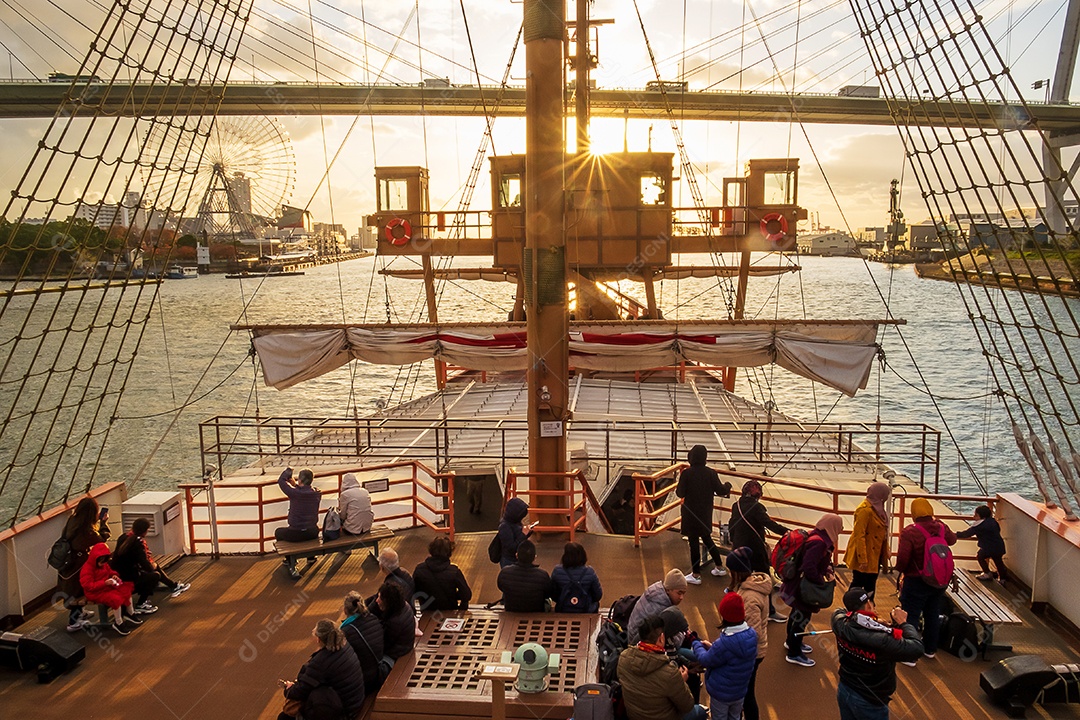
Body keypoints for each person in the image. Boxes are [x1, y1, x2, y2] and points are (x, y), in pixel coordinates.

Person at [832, 587, 924, 720]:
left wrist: (869, 622)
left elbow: (840, 611)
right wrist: (903, 623)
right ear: (869, 604)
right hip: (870, 701)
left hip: (845, 688)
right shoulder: (883, 639)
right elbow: (916, 648)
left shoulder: (839, 623)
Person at [895, 497, 956, 662]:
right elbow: (952, 540)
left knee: (911, 615)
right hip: (939, 579)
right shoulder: (941, 527)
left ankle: (910, 655)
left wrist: (900, 571)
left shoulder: (910, 531)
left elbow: (903, 559)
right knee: (932, 614)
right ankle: (930, 649)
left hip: (916, 580)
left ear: (914, 513)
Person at [781, 513, 842, 668]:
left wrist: (826, 568)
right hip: (804, 587)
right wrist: (820, 581)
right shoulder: (820, 543)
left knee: (796, 615)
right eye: (839, 526)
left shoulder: (815, 536)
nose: (840, 529)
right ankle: (794, 653)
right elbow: (809, 566)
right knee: (802, 618)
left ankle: (792, 643)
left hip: (796, 583)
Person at [618, 615, 708, 720]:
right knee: (701, 711)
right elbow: (687, 706)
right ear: (661, 638)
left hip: (634, 716)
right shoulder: (670, 673)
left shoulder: (623, 658)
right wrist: (681, 682)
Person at [278, 619, 366, 720]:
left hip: (344, 711)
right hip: (355, 701)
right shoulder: (345, 645)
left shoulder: (320, 661)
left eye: (314, 632)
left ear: (318, 639)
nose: (312, 631)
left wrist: (288, 689)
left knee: (284, 717)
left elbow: (300, 691)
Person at [729, 479, 790, 622]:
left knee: (742, 578)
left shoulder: (735, 505)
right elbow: (768, 523)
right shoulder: (757, 508)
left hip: (739, 547)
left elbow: (732, 524)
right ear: (758, 495)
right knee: (765, 578)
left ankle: (739, 609)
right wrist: (787, 532)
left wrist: (733, 540)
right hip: (754, 548)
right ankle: (770, 612)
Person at [692, 592, 758, 720]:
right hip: (739, 691)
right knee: (735, 717)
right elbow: (731, 657)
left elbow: (706, 660)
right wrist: (712, 648)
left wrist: (696, 644)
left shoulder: (724, 643)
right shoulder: (752, 635)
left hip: (721, 694)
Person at [725, 546, 771, 720]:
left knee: (746, 693)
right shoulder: (753, 586)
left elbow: (753, 633)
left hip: (752, 652)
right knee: (746, 691)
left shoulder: (749, 597)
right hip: (756, 649)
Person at [676, 444, 733, 584]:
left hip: (690, 513)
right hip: (705, 512)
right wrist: (728, 485)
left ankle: (696, 574)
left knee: (693, 541)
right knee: (707, 538)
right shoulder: (710, 473)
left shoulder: (687, 473)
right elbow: (721, 490)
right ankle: (719, 567)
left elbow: (680, 493)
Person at [112, 517, 190, 614]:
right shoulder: (137, 544)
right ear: (144, 531)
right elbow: (145, 565)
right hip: (128, 577)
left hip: (120, 574)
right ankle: (141, 603)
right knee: (155, 575)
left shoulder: (123, 537)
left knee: (154, 566)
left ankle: (173, 586)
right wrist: (151, 565)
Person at [57, 497, 112, 632]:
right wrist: (103, 522)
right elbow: (101, 538)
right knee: (78, 591)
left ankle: (80, 613)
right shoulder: (86, 530)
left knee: (75, 590)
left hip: (68, 562)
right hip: (78, 565)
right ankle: (73, 622)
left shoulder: (72, 520)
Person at [79, 543, 142, 635]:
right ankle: (118, 622)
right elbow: (88, 586)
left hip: (105, 587)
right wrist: (104, 583)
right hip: (94, 592)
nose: (104, 564)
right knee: (115, 598)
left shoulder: (103, 565)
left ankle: (130, 613)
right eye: (102, 562)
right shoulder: (87, 569)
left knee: (126, 589)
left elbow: (110, 572)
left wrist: (114, 575)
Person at [844, 482, 891, 599]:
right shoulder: (864, 510)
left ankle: (869, 608)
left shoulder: (878, 509)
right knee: (859, 583)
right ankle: (852, 607)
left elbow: (882, 533)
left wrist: (886, 550)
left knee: (870, 584)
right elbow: (859, 535)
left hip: (875, 553)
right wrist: (862, 559)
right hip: (866, 554)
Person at [275, 467, 321, 579]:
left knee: (278, 532)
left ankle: (290, 560)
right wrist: (296, 485)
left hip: (296, 533)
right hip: (312, 532)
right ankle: (310, 557)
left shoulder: (294, 493)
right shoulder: (317, 493)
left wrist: (289, 470)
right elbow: (304, 492)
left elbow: (281, 481)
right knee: (310, 527)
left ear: (300, 480)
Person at [340, 591, 385, 696]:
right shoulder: (373, 618)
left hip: (365, 679)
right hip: (379, 670)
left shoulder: (346, 631)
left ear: (345, 610)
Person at [627, 569, 689, 645]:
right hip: (637, 644)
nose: (681, 597)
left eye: (683, 593)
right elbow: (675, 641)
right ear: (668, 590)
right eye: (679, 593)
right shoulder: (662, 610)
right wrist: (683, 635)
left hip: (632, 636)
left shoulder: (656, 592)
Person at [413, 535, 472, 612]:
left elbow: (414, 590)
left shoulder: (419, 569)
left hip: (427, 611)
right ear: (449, 552)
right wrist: (454, 596)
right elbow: (466, 594)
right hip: (450, 610)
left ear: (431, 550)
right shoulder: (454, 571)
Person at [497, 539, 553, 612]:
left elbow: (501, 587)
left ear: (517, 555)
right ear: (534, 557)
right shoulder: (542, 575)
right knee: (549, 601)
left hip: (511, 611)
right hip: (535, 612)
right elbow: (548, 593)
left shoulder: (505, 572)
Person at [368, 580, 415, 665]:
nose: (377, 601)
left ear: (388, 601)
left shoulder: (395, 623)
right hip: (405, 645)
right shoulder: (402, 605)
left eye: (380, 598)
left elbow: (384, 644)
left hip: (398, 652)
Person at [957, 505, 1008, 584]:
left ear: (981, 516)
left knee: (980, 556)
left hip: (987, 547)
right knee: (998, 561)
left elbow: (967, 534)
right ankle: (1002, 578)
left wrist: (955, 534)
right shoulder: (993, 521)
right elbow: (998, 529)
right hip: (999, 545)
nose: (974, 517)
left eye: (976, 515)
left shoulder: (979, 526)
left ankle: (987, 573)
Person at [551, 541, 603, 613]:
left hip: (564, 609)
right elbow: (598, 595)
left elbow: (553, 594)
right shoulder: (590, 571)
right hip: (586, 610)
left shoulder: (557, 571)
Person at [496, 497, 535, 567]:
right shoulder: (504, 527)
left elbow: (518, 538)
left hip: (515, 558)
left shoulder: (514, 522)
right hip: (510, 560)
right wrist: (523, 534)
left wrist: (528, 532)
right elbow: (511, 547)